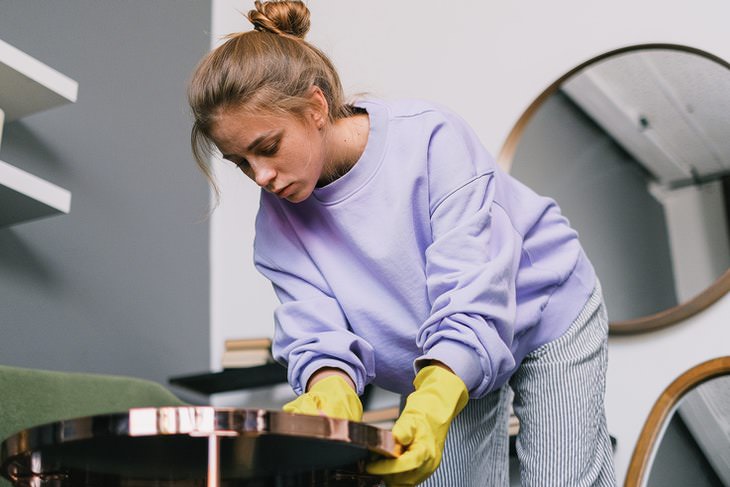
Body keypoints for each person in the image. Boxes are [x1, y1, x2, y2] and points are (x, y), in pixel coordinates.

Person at [187, 1, 616, 485]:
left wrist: (433, 401)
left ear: (316, 108)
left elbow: (474, 292)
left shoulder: (431, 139)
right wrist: (331, 391)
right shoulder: (277, 224)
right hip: (441, 347)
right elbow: (318, 334)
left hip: (543, 310)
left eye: (267, 147)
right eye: (241, 162)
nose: (260, 175)